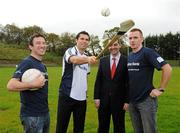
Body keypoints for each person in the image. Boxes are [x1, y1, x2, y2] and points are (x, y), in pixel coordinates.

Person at [127, 28, 172, 133]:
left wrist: (161, 89)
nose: (132, 40)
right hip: (132, 101)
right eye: (130, 38)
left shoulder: (148, 52)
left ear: (142, 39)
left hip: (146, 100)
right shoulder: (129, 56)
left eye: (135, 37)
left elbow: (167, 68)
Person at [7, 33, 50, 133]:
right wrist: (33, 84)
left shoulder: (42, 65)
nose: (42, 45)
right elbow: (11, 85)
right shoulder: (27, 62)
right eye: (38, 43)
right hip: (32, 115)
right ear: (30, 46)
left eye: (44, 43)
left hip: (44, 112)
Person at [56, 31, 97, 133]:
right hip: (67, 95)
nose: (84, 41)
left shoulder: (87, 56)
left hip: (81, 99)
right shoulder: (70, 51)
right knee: (61, 128)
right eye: (82, 39)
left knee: (79, 129)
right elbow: (74, 60)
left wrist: (85, 92)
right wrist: (87, 59)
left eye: (87, 39)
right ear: (76, 40)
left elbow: (86, 76)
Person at [94, 40, 129, 133]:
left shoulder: (126, 61)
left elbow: (128, 83)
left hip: (120, 101)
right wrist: (96, 98)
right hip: (103, 100)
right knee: (102, 126)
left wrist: (127, 101)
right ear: (107, 47)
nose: (113, 47)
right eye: (110, 45)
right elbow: (98, 80)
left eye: (115, 44)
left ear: (120, 46)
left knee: (119, 127)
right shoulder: (103, 61)